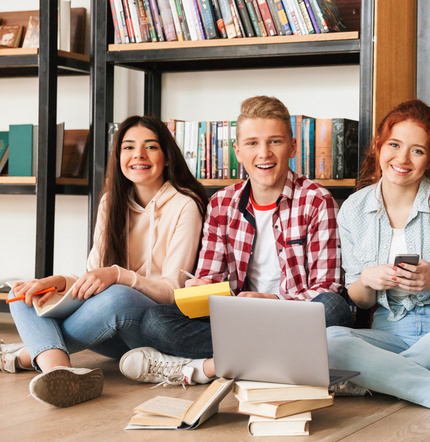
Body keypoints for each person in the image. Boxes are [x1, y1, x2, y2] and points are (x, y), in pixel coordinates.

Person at [119, 96, 353, 387]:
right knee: (155, 321)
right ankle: (277, 362)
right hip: (239, 320)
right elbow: (210, 277)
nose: (264, 153)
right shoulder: (222, 203)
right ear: (238, 151)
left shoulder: (317, 201)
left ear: (292, 147)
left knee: (335, 308)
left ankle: (210, 367)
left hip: (292, 316)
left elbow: (327, 288)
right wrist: (201, 287)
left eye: (275, 142)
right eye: (252, 143)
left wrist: (275, 302)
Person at [3, 116, 209, 407]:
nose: (138, 155)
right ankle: (59, 373)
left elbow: (172, 291)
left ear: (166, 158)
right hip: (108, 330)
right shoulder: (111, 201)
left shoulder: (185, 204)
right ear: (118, 157)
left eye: (150, 147)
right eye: (128, 147)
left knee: (117, 296)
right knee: (21, 293)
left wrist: (119, 275)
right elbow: (93, 278)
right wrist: (59, 282)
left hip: (152, 327)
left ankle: (28, 354)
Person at [324, 100, 430, 418]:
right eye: (394, 145)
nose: (402, 159)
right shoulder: (353, 210)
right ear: (379, 145)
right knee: (329, 339)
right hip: (390, 334)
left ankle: (380, 379)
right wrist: (366, 281)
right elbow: (359, 300)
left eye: (417, 150)